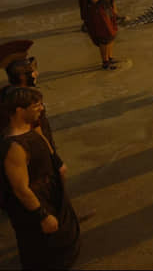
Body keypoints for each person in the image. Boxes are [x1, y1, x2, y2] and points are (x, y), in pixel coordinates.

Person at [0, 86, 80, 270]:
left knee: (64, 240)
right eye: (36, 106)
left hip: (51, 191)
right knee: (43, 252)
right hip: (37, 201)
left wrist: (57, 163)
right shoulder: (14, 147)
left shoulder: (30, 126)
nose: (41, 109)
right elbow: (21, 189)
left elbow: (42, 138)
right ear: (19, 110)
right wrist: (43, 216)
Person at [86, 0, 138, 70]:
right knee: (105, 36)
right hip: (99, 10)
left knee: (112, 33)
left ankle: (109, 58)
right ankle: (105, 62)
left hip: (109, 8)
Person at [0, 41, 54, 148]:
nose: (36, 74)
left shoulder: (4, 93)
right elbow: (39, 133)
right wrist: (53, 155)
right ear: (22, 77)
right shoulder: (28, 100)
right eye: (33, 71)